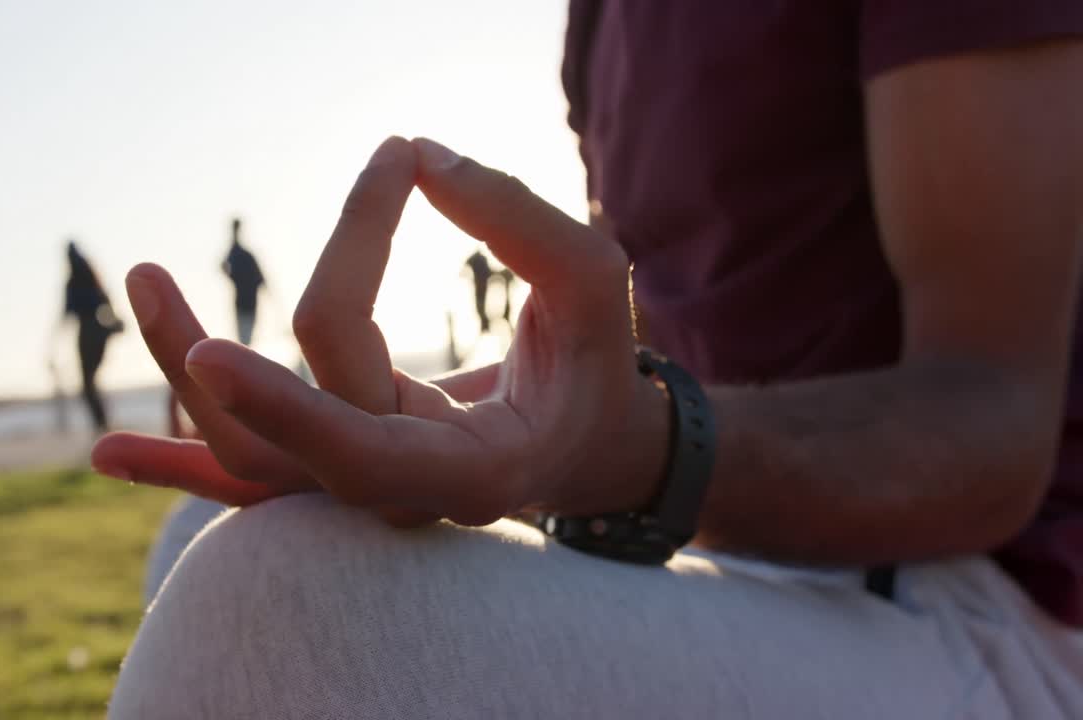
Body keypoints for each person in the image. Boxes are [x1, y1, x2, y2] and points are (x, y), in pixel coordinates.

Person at [93, 5, 1083, 718]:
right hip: (757, 563)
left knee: (272, 605)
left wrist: (619, 452)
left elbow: (993, 427)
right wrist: (396, 421)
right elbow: (630, 343)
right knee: (207, 530)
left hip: (996, 609)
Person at [63, 241, 121, 432]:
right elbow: (106, 303)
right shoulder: (93, 278)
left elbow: (68, 312)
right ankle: (102, 422)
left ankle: (101, 423)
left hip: (87, 333)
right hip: (99, 331)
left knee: (88, 383)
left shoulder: (73, 283)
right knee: (91, 381)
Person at [221, 217, 265, 346]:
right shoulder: (238, 254)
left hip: (248, 303)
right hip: (244, 303)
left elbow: (261, 280)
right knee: (244, 339)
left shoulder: (243, 255)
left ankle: (245, 353)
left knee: (245, 339)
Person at [463, 249, 493, 332]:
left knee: (480, 306)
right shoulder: (482, 259)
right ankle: (484, 326)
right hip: (481, 285)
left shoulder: (477, 259)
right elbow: (489, 272)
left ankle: (485, 326)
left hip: (481, 286)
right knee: (480, 306)